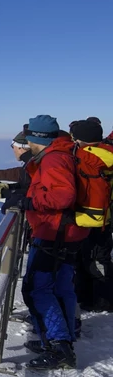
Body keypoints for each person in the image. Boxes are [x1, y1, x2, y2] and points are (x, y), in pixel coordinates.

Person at [3, 115, 89, 369]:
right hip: (68, 232)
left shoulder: (53, 159)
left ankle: (58, 346)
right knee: (61, 285)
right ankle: (62, 336)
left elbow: (62, 196)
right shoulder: (63, 153)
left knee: (37, 289)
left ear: (35, 138)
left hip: (54, 232)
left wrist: (26, 203)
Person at [68, 118, 113, 313]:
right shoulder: (106, 152)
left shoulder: (87, 157)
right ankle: (91, 296)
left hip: (91, 216)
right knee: (94, 257)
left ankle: (103, 300)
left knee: (95, 258)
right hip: (104, 214)